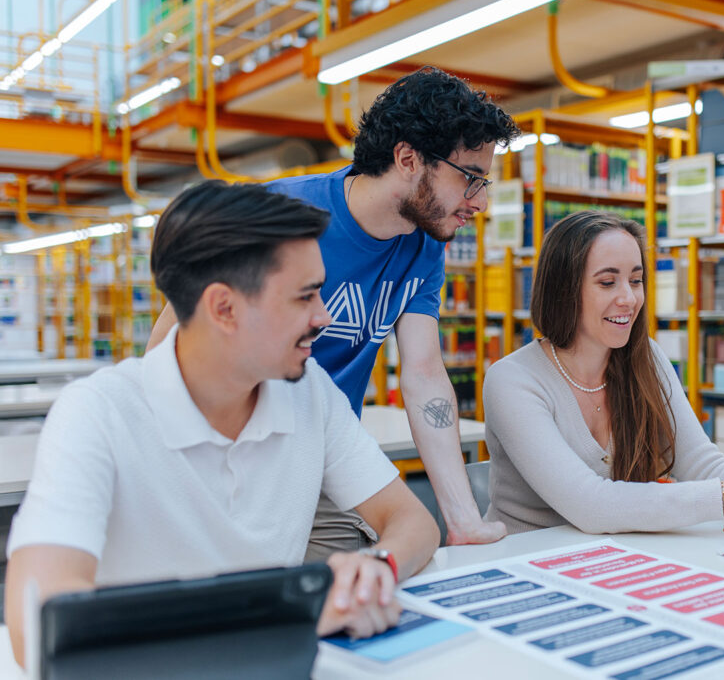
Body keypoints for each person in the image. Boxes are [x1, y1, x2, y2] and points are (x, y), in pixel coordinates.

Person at [5, 181, 440, 668]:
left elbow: (412, 521)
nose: (324, 316)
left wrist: (375, 567)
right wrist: (277, 618)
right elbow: (36, 623)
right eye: (304, 297)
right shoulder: (98, 413)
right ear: (224, 308)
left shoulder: (309, 392)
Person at [148, 66, 520, 552]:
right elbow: (167, 344)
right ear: (407, 158)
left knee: (356, 593)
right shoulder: (279, 216)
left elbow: (424, 373)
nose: (481, 201)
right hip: (222, 457)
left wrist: (463, 519)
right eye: (471, 178)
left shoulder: (424, 245)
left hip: (322, 455)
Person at [482, 210, 724, 534]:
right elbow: (591, 505)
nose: (629, 299)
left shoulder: (645, 356)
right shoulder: (512, 380)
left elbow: (699, 462)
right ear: (563, 290)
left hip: (612, 561)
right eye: (607, 283)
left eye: (635, 281)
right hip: (524, 569)